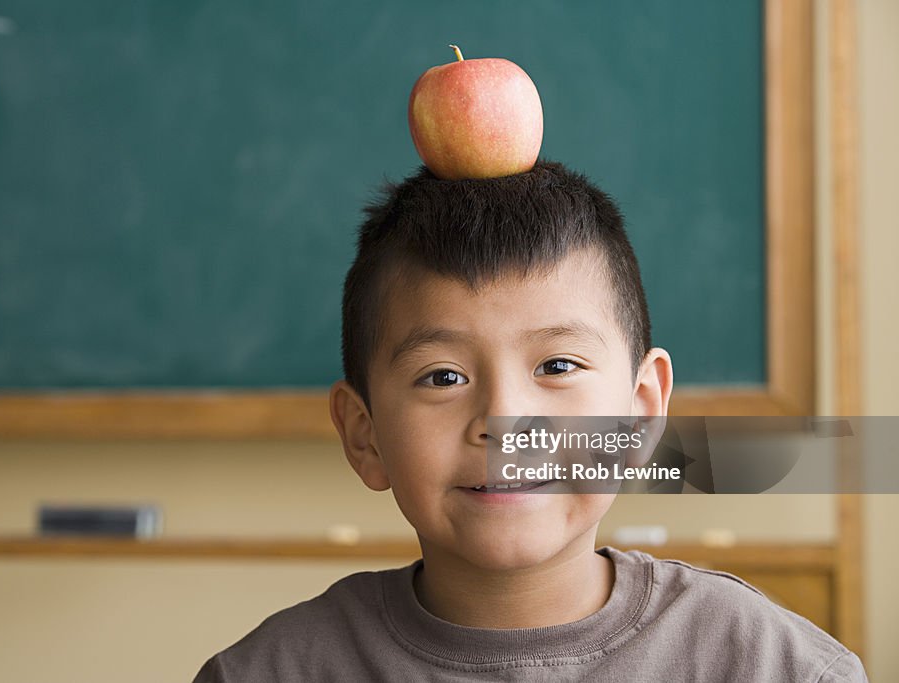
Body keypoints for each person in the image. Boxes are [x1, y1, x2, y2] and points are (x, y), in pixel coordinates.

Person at [192, 160, 866, 681]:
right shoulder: (270, 672)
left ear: (640, 410)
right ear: (363, 434)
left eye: (558, 366)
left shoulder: (768, 665)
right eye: (443, 376)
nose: (505, 420)